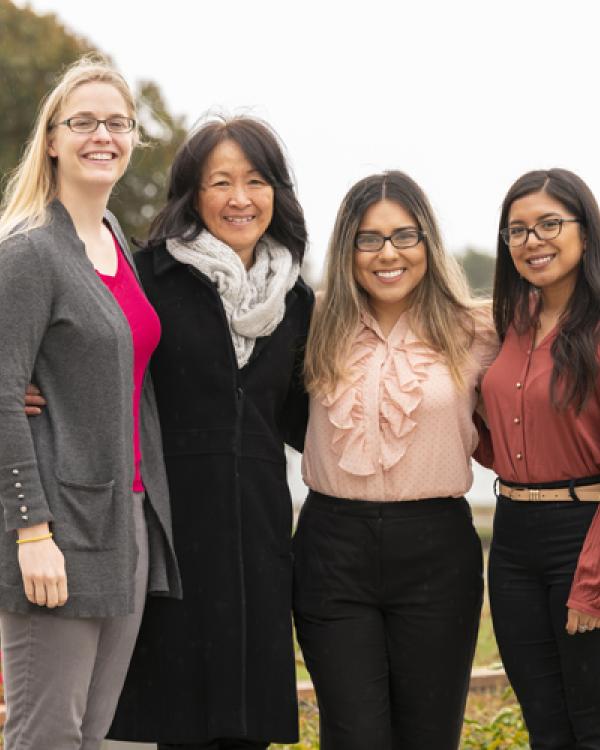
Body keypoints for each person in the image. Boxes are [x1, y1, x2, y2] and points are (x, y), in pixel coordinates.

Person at [107, 116, 314, 750]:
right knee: (177, 723)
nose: (239, 198)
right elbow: (93, 360)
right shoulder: (149, 278)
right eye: (218, 182)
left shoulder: (298, 301)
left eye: (255, 181)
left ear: (276, 192)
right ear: (192, 195)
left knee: (248, 725)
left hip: (258, 537)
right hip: (170, 532)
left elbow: (310, 421)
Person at [0, 56, 180, 750]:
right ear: (51, 138)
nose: (102, 135)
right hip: (56, 528)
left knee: (95, 733)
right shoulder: (29, 252)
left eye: (118, 123)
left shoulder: (118, 248)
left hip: (127, 519)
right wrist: (31, 532)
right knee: (46, 736)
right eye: (84, 122)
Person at [294, 171, 498, 750]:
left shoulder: (478, 328)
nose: (388, 253)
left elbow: (556, 358)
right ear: (347, 249)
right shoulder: (309, 322)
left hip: (437, 550)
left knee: (430, 738)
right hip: (332, 550)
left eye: (404, 236)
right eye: (369, 238)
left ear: (428, 243)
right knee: (354, 735)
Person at [478, 168, 600, 748]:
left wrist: (592, 580)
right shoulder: (510, 323)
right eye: (518, 230)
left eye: (550, 223)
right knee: (546, 725)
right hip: (512, 540)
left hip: (586, 535)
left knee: (592, 722)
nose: (533, 240)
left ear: (585, 231)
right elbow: (489, 434)